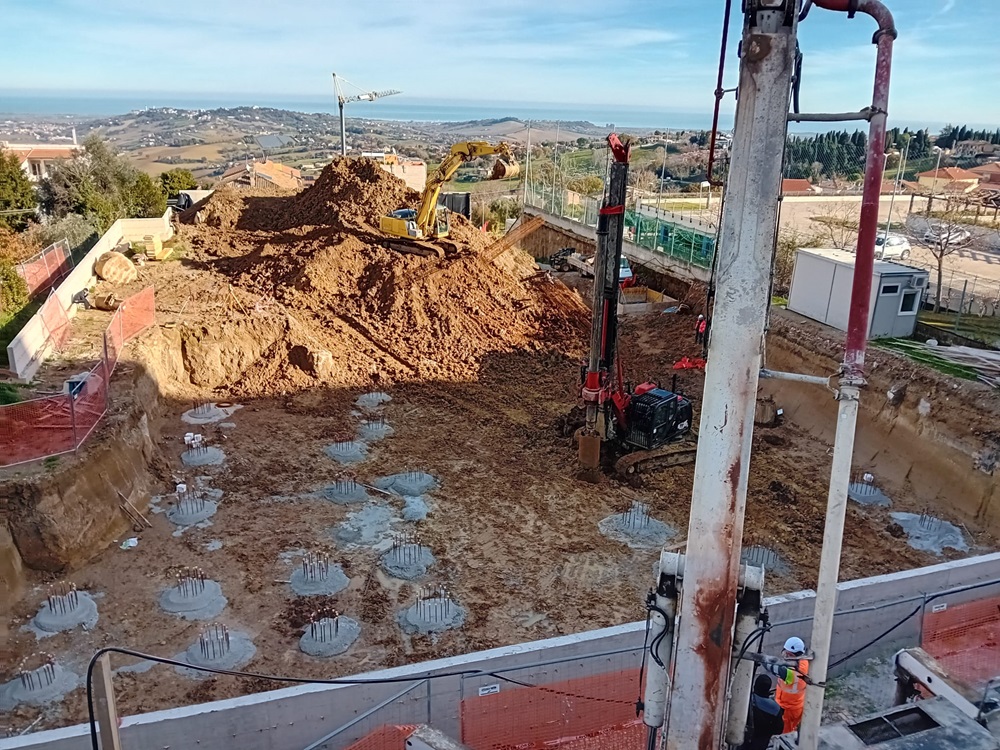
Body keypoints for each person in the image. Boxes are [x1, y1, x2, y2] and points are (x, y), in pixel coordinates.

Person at [764, 636, 810, 736]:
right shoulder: (796, 662)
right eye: (785, 652)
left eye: (788, 654)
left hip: (789, 710)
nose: (785, 656)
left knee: (784, 734)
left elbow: (777, 670)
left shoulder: (797, 671)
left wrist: (762, 659)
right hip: (784, 705)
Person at [742, 673, 784, 750]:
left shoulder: (747, 700)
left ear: (755, 685)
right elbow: (778, 730)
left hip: (744, 740)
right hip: (761, 743)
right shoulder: (775, 708)